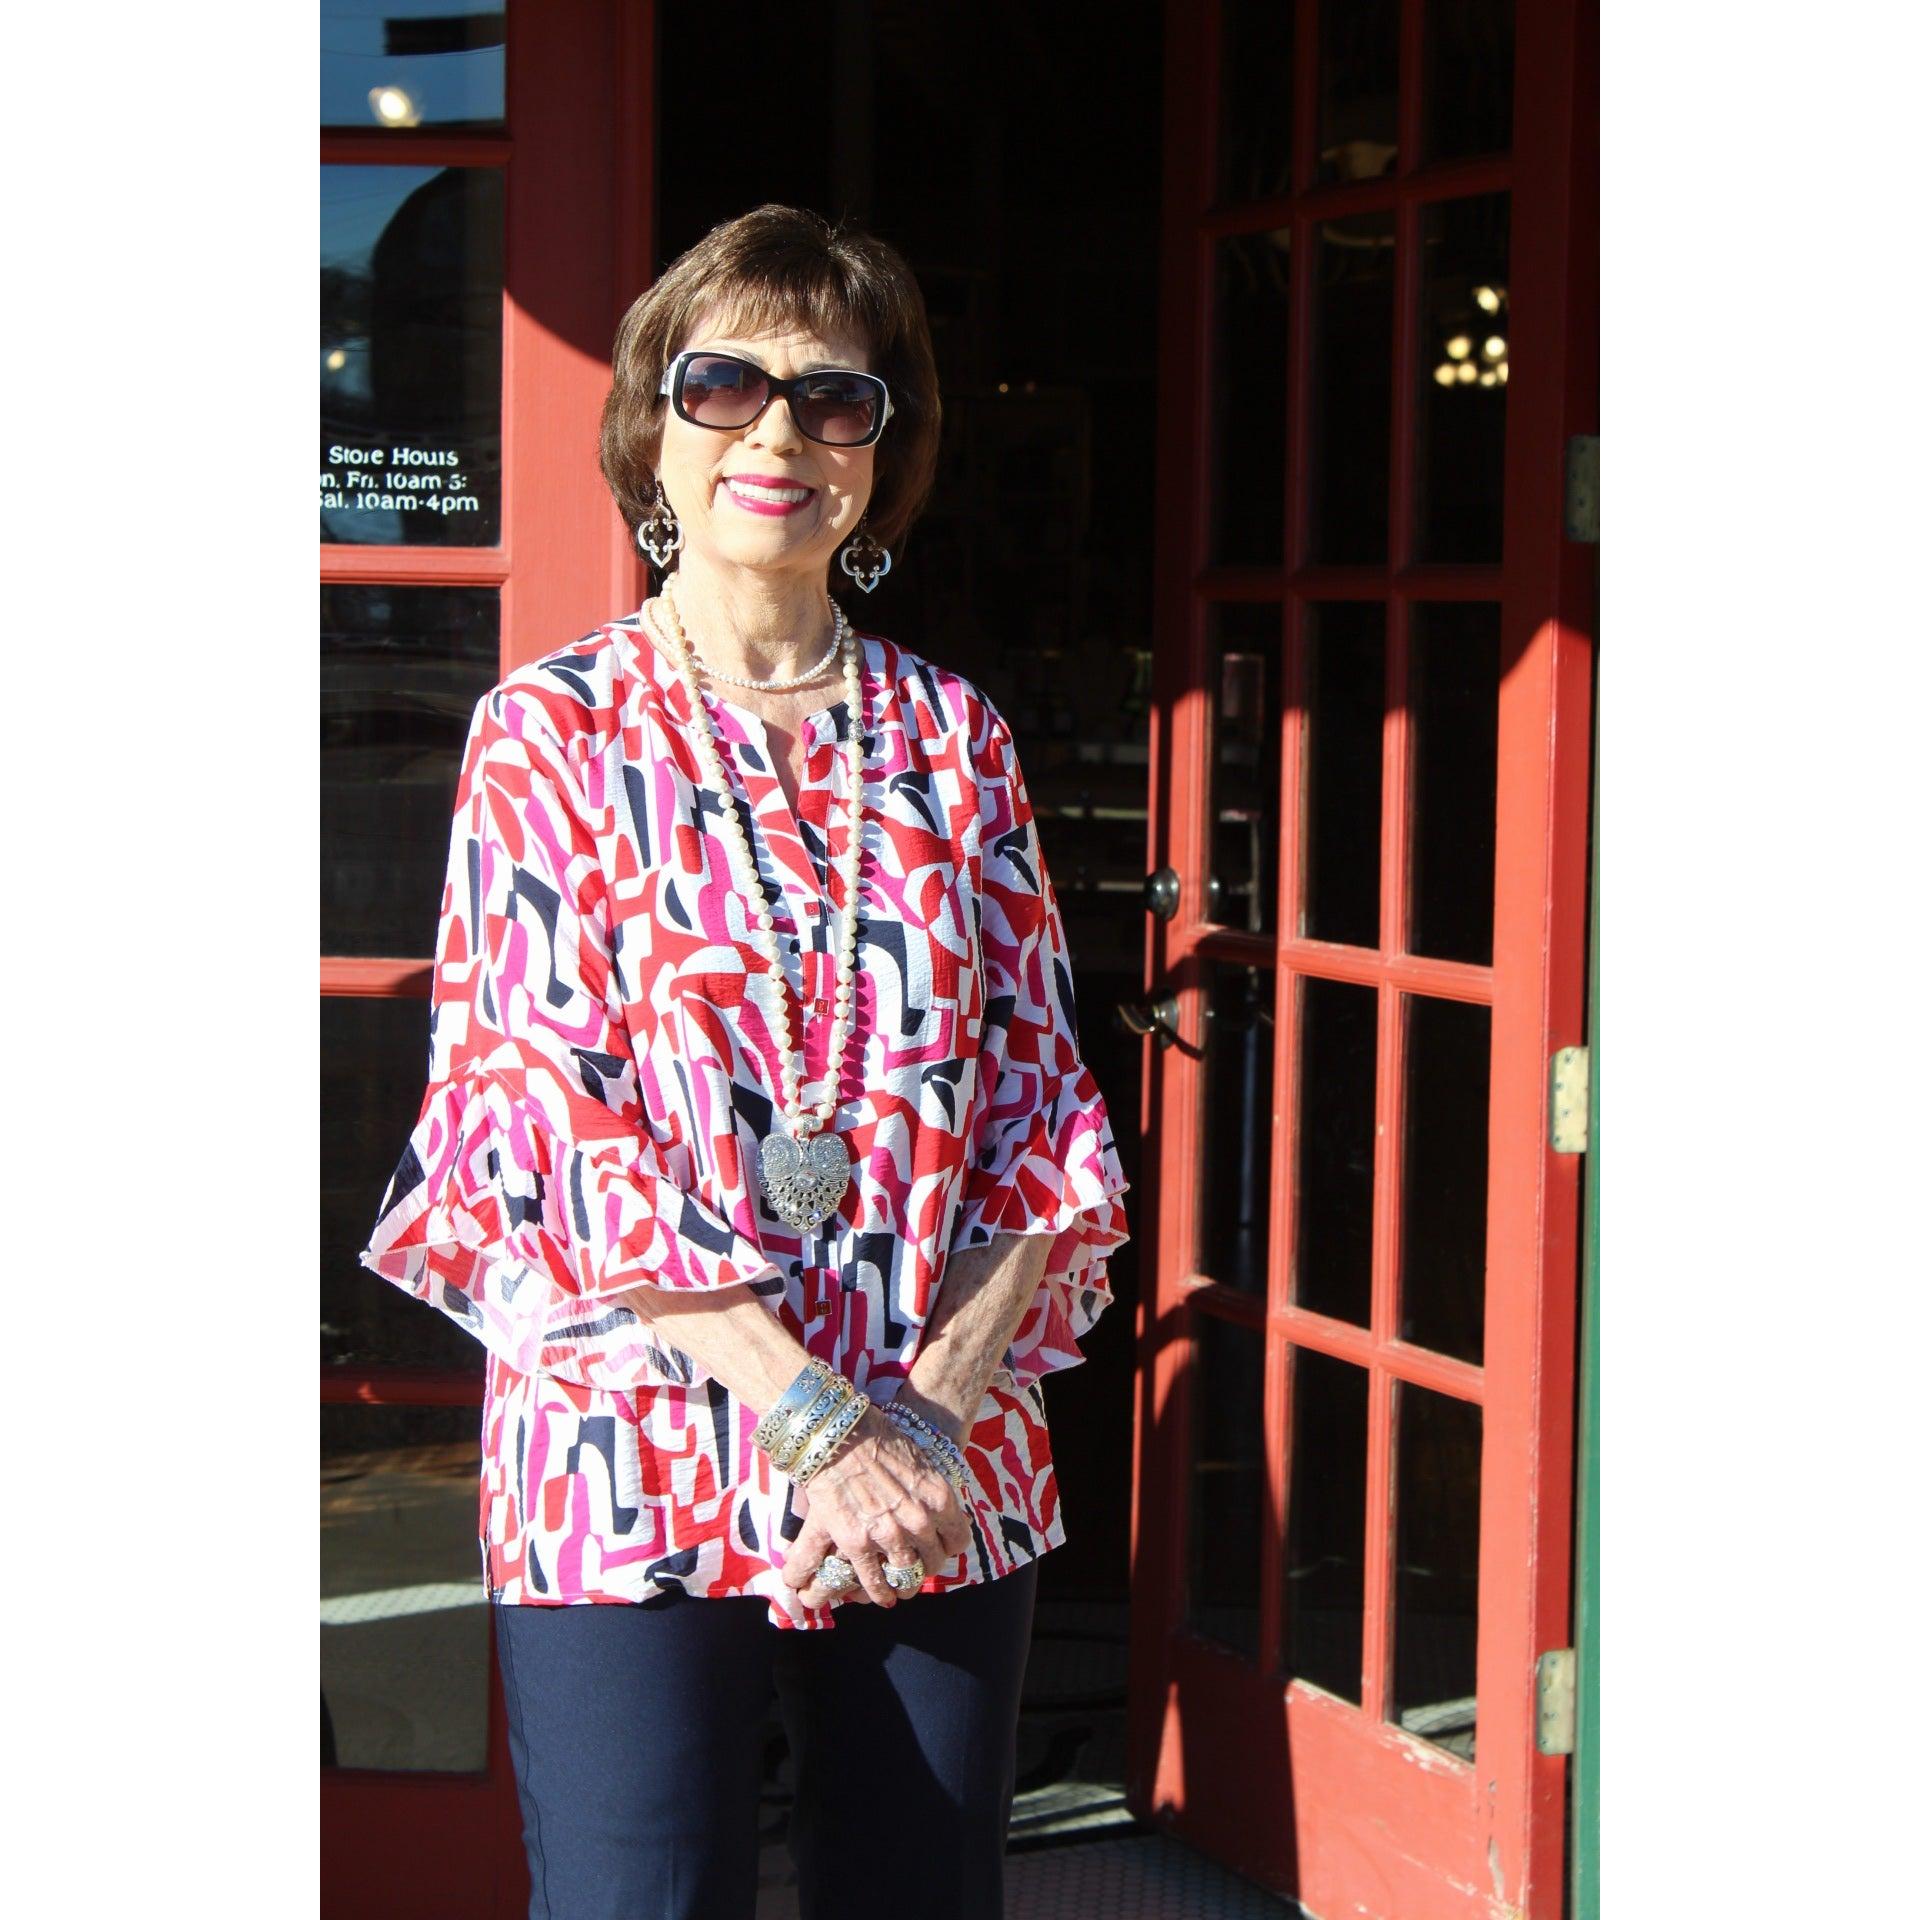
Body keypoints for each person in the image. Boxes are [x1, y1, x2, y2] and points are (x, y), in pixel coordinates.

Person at [358, 202, 1129, 1920]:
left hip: (941, 1445)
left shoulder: (955, 739)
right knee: (645, 1899)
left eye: (835, 400)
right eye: (725, 387)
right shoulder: (548, 732)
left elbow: (1042, 1110)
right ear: (654, 426)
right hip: (627, 1438)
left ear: (881, 455)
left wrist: (919, 1417)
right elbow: (539, 1116)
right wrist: (812, 1425)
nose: (777, 433)